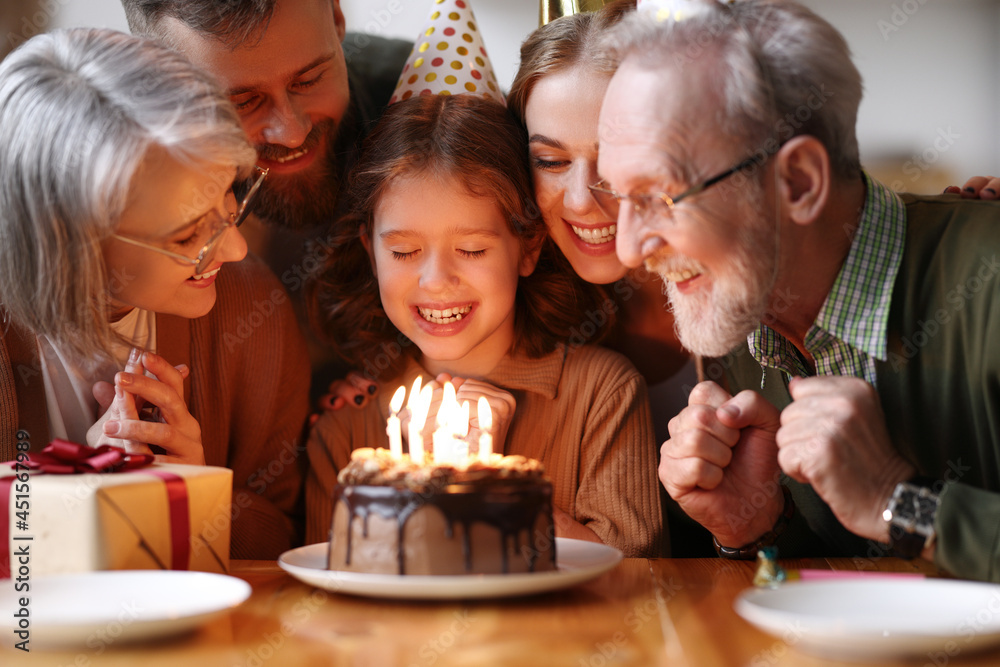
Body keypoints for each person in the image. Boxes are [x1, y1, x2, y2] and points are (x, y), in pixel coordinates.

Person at [597, 0, 1000, 581]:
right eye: (619, 197)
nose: (628, 251)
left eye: (658, 197)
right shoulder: (739, 317)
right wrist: (758, 526)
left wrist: (898, 501)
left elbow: (893, 522)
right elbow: (858, 593)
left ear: (799, 182)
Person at [305, 93, 664, 557]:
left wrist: (485, 482)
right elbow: (326, 593)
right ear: (370, 251)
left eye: (472, 250)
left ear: (528, 246)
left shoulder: (602, 395)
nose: (435, 281)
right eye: (403, 252)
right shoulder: (347, 428)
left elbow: (636, 579)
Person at [0, 28, 310, 559]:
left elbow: (283, 542)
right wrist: (70, 488)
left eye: (232, 196)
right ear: (71, 243)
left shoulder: (251, 308)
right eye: (190, 234)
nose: (234, 248)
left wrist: (194, 491)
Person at [120, 0, 412, 397]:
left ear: (337, 16)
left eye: (308, 80)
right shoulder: (115, 179)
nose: (290, 132)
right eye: (242, 103)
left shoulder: (437, 94)